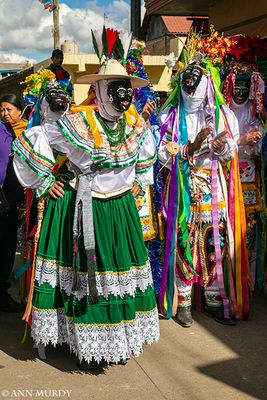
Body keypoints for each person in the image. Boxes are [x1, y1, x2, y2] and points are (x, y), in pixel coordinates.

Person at [13, 55, 160, 370]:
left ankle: (116, 342)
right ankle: (82, 343)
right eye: (117, 87)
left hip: (120, 210)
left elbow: (147, 157)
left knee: (120, 277)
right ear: (102, 88)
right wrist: (45, 180)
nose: (123, 95)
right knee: (85, 277)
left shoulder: (134, 124)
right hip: (86, 206)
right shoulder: (82, 121)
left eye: (127, 88)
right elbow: (41, 135)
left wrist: (139, 183)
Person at [158, 46, 250, 327]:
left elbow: (230, 151)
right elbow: (162, 154)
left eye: (196, 79)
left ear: (207, 82)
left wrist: (222, 148)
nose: (190, 84)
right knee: (184, 241)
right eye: (186, 79)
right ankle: (183, 301)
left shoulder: (223, 115)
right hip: (183, 188)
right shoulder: (169, 116)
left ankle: (213, 299)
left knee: (215, 242)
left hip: (214, 190)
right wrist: (191, 146)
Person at [222, 61, 266, 291]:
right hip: (225, 176)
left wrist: (257, 141)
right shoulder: (223, 112)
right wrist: (240, 141)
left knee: (248, 227)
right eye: (235, 87)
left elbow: (260, 146)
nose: (239, 92)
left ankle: (246, 279)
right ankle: (227, 278)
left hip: (249, 178)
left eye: (244, 87)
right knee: (226, 226)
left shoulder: (255, 112)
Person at [0, 94, 28, 312]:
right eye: (2, 110)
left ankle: (2, 291)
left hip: (15, 199)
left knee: (8, 248)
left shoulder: (28, 132)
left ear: (20, 110)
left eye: (9, 109)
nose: (5, 114)